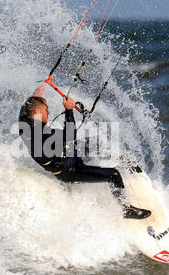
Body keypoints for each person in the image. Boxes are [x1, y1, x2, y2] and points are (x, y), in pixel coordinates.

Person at [18, 84, 151, 219]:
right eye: (46, 110)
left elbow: (25, 109)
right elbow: (70, 135)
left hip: (67, 153)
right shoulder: (40, 136)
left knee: (96, 143)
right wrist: (69, 110)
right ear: (36, 112)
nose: (49, 113)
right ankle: (125, 209)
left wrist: (35, 97)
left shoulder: (24, 123)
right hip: (69, 170)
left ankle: (123, 162)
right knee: (114, 175)